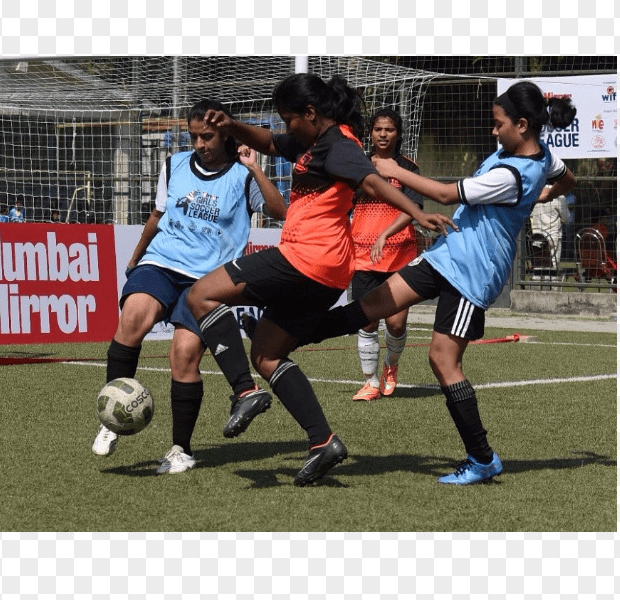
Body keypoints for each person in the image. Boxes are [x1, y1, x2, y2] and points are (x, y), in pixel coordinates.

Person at [299, 80, 578, 485]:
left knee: (443, 360)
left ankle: (482, 458)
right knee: (376, 302)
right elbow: (566, 181)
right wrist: (540, 194)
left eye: (498, 124)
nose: (493, 131)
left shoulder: (512, 174)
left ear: (522, 125)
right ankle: (302, 332)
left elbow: (447, 195)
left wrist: (395, 171)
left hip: (474, 273)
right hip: (448, 254)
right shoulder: (538, 156)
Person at [186, 73, 456, 486]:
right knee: (267, 353)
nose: (286, 125)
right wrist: (231, 125)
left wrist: (418, 214)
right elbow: (269, 141)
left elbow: (371, 181)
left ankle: (243, 391)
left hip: (305, 259)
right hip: (326, 270)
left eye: (289, 118)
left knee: (201, 295)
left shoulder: (339, 146)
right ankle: (322, 441)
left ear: (310, 113)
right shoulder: (313, 140)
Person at [91, 99, 287, 475]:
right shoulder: (174, 164)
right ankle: (112, 414)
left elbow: (281, 212)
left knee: (183, 354)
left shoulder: (243, 175)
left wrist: (256, 168)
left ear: (227, 134)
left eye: (208, 136)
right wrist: (136, 257)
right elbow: (158, 215)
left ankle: (180, 449)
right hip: (162, 262)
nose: (199, 144)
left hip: (208, 281)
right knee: (134, 317)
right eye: (194, 136)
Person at [349, 107, 423, 402]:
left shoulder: (408, 169)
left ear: (398, 134)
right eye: (378, 129)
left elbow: (413, 209)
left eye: (389, 129)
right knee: (366, 321)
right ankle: (369, 382)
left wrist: (385, 233)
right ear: (370, 133)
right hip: (363, 256)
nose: (383, 134)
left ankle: (391, 366)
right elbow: (344, 204)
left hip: (399, 256)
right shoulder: (358, 167)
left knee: (395, 323)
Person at [529, 185, 570, 269]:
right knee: (553, 267)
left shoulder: (536, 193)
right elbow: (566, 218)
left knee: (538, 267)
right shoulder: (559, 196)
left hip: (538, 235)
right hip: (553, 235)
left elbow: (531, 215)